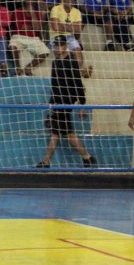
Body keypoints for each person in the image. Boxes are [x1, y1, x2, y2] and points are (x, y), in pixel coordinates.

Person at [37, 36, 97, 168]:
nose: (58, 48)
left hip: (66, 102)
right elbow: (55, 85)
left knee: (66, 134)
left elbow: (78, 84)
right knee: (57, 133)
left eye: (60, 45)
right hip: (58, 102)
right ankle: (48, 160)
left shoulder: (71, 61)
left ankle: (87, 157)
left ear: (65, 46)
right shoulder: (55, 62)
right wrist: (52, 103)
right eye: (56, 45)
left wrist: (82, 104)